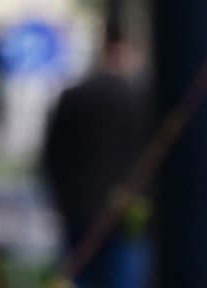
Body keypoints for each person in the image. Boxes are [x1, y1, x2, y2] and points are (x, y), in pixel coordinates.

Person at [40, 28, 150, 288]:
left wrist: (59, 197)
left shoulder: (74, 97)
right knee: (123, 278)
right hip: (126, 209)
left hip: (78, 207)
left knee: (80, 275)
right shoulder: (140, 99)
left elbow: (52, 154)